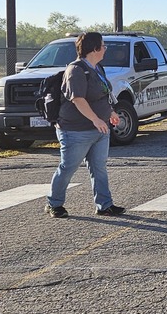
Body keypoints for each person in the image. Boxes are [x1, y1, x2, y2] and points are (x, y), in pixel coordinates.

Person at [45, 32, 124, 218]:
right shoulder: (76, 70)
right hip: (75, 131)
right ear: (94, 49)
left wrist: (110, 113)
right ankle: (54, 204)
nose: (105, 49)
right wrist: (95, 119)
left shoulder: (98, 68)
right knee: (68, 168)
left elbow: (101, 95)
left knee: (99, 168)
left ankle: (104, 205)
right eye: (103, 46)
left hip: (100, 129)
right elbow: (78, 99)